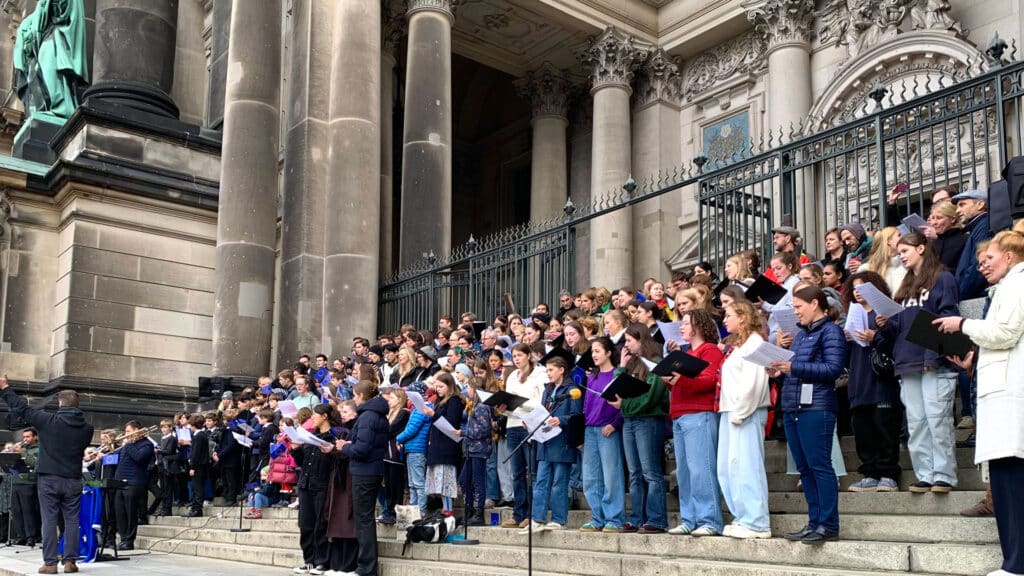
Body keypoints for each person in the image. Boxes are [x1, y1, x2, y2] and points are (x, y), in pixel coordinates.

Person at [934, 229, 1024, 576]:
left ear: (1009, 256)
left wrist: (962, 323)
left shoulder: (1016, 283)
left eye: (989, 258)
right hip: (1000, 393)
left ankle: (1016, 565)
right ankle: (1013, 563)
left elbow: (1006, 332)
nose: (982, 266)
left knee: (1011, 484)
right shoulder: (1007, 285)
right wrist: (975, 360)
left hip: (1008, 398)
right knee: (1005, 482)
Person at [876, 232, 960, 493]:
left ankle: (943, 475)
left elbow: (948, 318)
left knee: (938, 420)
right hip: (907, 361)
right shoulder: (905, 285)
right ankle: (924, 473)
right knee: (916, 422)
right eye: (899, 251)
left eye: (905, 250)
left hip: (934, 360)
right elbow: (899, 328)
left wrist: (932, 355)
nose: (901, 255)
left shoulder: (942, 278)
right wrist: (885, 324)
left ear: (922, 248)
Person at [769, 286, 847, 544]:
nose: (796, 312)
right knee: (804, 468)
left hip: (817, 407)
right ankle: (814, 522)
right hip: (793, 406)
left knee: (820, 466)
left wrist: (793, 367)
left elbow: (833, 369)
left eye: (798, 306)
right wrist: (778, 372)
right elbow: (795, 371)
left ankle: (829, 524)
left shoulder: (831, 331)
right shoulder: (801, 334)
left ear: (815, 303)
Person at [0, 379, 93, 574]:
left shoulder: (48, 421)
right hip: (73, 478)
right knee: (72, 520)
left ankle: (50, 563)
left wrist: (6, 388)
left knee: (49, 520)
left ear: (60, 403)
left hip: (49, 478)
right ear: (77, 405)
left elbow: (22, 408)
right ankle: (70, 561)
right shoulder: (87, 429)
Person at [717, 302, 772, 539]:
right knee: (728, 468)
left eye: (728, 315)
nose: (724, 320)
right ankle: (742, 515)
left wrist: (741, 412)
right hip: (730, 410)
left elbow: (754, 382)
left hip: (746, 412)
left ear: (742, 317)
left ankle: (757, 522)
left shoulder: (755, 343)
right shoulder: (738, 345)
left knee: (747, 466)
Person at [668, 311, 725, 537]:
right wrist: (670, 381)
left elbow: (709, 380)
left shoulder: (709, 350)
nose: (681, 327)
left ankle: (709, 519)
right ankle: (689, 518)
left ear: (698, 326)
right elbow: (683, 384)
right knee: (684, 471)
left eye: (685, 323)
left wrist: (680, 379)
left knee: (701, 468)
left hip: (699, 412)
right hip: (680, 413)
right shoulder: (686, 353)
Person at [844, 271, 901, 493]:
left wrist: (875, 336)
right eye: (854, 288)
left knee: (884, 427)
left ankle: (888, 473)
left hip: (882, 380)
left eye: (862, 288)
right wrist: (847, 338)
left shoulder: (885, 313)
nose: (857, 292)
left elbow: (897, 343)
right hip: (859, 379)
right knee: (863, 429)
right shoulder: (853, 313)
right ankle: (869, 473)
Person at [610, 323, 668, 534]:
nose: (626, 345)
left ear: (641, 340)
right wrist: (621, 367)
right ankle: (637, 517)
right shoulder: (632, 363)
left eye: (629, 341)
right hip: (630, 421)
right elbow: (616, 389)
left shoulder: (656, 363)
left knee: (650, 471)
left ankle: (656, 519)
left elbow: (650, 397)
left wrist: (624, 405)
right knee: (634, 473)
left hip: (648, 420)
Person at [522, 356, 582, 533]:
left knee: (559, 483)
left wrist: (561, 420)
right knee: (541, 481)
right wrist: (531, 422)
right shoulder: (547, 389)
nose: (548, 373)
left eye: (551, 370)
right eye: (547, 370)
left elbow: (577, 416)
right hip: (545, 441)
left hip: (562, 442)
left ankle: (559, 519)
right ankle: (537, 518)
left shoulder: (572, 389)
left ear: (562, 370)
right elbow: (543, 412)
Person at [337, 380, 390, 576]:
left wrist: (344, 446)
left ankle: (366, 568)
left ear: (360, 396)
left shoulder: (368, 416)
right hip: (372, 469)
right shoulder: (378, 414)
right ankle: (366, 566)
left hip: (365, 471)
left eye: (354, 395)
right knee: (365, 518)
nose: (354, 399)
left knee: (364, 519)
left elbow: (361, 449)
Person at [578, 337, 625, 533]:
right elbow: (587, 405)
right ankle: (597, 517)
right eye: (592, 351)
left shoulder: (617, 374)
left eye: (597, 351)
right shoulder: (592, 376)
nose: (594, 355)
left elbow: (624, 403)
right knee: (590, 477)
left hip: (607, 429)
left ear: (608, 353)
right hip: (590, 429)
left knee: (611, 475)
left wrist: (615, 424)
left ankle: (614, 518)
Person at [498, 343, 547, 528]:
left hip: (530, 425)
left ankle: (532, 514)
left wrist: (519, 403)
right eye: (514, 356)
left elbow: (540, 401)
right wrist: (503, 408)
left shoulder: (540, 373)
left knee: (532, 472)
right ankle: (518, 514)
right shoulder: (512, 376)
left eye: (520, 355)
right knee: (516, 472)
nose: (517, 359)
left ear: (528, 355)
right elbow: (509, 402)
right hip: (513, 425)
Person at [291, 403, 343, 574]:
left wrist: (331, 451)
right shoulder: (310, 436)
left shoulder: (335, 436)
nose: (312, 417)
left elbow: (337, 460)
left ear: (325, 416)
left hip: (322, 484)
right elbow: (301, 461)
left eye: (315, 414)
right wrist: (295, 450)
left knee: (321, 524)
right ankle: (308, 561)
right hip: (305, 484)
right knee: (305, 525)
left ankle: (322, 562)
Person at [422, 372, 465, 514]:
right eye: (436, 386)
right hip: (437, 445)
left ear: (449, 386)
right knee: (438, 482)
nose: (438, 389)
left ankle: (448, 509)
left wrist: (433, 414)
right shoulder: (439, 401)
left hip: (447, 446)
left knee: (446, 481)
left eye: (441, 386)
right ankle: (445, 508)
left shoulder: (454, 400)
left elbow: (451, 422)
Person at [113, 421, 155, 551]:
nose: (125, 434)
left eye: (128, 431)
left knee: (131, 513)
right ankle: (123, 538)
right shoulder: (128, 445)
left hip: (134, 482)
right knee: (120, 512)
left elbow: (139, 458)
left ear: (137, 430)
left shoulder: (146, 444)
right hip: (120, 482)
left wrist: (128, 444)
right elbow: (119, 460)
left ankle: (129, 541)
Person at [460, 380, 494, 526]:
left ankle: (479, 513)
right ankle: (469, 510)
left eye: (468, 387)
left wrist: (464, 432)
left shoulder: (481, 407)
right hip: (470, 449)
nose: (466, 390)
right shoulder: (472, 406)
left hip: (479, 449)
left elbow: (485, 429)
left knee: (478, 481)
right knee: (464, 479)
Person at [951, 189, 993, 301]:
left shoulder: (984, 226)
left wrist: (961, 295)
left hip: (976, 297)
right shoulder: (978, 226)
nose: (957, 211)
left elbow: (976, 266)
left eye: (962, 205)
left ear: (980, 204)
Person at [379, 388, 410, 525]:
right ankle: (389, 510)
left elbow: (390, 430)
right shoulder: (390, 413)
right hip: (387, 453)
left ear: (399, 399)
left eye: (392, 398)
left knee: (395, 484)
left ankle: (394, 512)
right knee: (388, 484)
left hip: (395, 454)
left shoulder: (403, 413)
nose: (389, 401)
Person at [10, 428, 40, 547]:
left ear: (35, 437)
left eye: (28, 437)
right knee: (16, 511)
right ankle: (21, 536)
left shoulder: (38, 449)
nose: (25, 439)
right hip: (16, 481)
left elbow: (35, 463)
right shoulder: (22, 448)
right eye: (24, 437)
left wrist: (22, 452)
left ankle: (31, 536)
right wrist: (10, 453)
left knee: (28, 511)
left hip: (29, 482)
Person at [183, 414, 210, 518]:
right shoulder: (201, 435)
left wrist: (192, 467)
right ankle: (195, 508)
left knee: (197, 488)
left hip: (198, 466)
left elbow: (196, 453)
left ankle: (197, 509)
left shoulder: (198, 436)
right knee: (196, 488)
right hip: (201, 465)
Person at [155, 419, 181, 517]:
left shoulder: (172, 438)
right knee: (163, 489)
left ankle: (167, 509)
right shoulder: (163, 438)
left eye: (166, 427)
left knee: (167, 488)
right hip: (161, 465)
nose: (164, 429)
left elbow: (169, 451)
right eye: (162, 427)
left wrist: (158, 451)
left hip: (168, 466)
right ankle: (164, 508)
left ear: (170, 428)